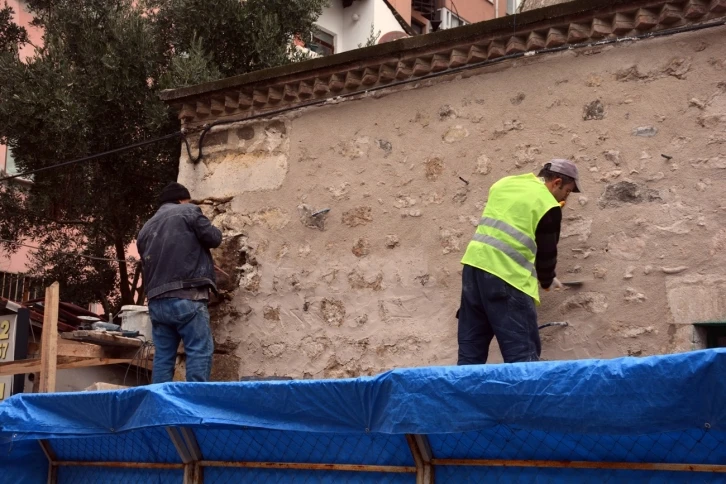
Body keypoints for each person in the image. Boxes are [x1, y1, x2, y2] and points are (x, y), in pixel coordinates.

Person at [457, 159, 581, 365]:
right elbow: (546, 253)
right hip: (508, 278)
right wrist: (548, 279)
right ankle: (526, 398)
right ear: (556, 182)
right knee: (522, 357)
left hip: (474, 271)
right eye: (567, 192)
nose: (565, 198)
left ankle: (463, 397)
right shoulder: (548, 205)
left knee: (471, 353)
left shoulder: (505, 183)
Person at [137, 182, 222, 383]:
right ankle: (194, 403)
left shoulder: (145, 229)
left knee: (164, 357)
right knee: (199, 350)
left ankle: (160, 403)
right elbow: (214, 238)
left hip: (157, 301)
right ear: (182, 199)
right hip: (186, 296)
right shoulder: (188, 211)